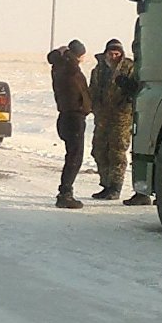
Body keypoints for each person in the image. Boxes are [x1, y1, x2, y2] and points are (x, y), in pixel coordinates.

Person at [47, 39, 92, 209]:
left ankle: (65, 192)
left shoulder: (60, 67)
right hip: (73, 116)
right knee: (74, 157)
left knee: (72, 156)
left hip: (68, 116)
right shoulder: (69, 68)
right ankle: (65, 194)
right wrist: (67, 54)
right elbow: (75, 76)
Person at [89, 39, 136, 200]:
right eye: (111, 53)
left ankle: (115, 187)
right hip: (102, 117)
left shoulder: (129, 68)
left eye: (117, 54)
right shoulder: (98, 70)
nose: (114, 56)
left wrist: (129, 88)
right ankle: (106, 184)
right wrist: (93, 107)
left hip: (121, 117)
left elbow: (136, 88)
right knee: (99, 150)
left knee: (117, 152)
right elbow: (93, 90)